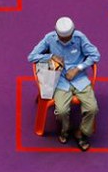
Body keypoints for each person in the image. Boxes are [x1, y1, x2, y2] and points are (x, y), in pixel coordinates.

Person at [27, 17, 100, 151]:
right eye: (62, 38)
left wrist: (78, 68)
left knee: (92, 108)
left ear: (73, 33)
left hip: (80, 79)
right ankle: (65, 130)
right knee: (61, 111)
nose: (64, 41)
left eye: (67, 38)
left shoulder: (80, 38)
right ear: (56, 32)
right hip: (59, 81)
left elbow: (95, 55)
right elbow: (32, 56)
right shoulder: (49, 38)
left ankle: (82, 133)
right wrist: (50, 56)